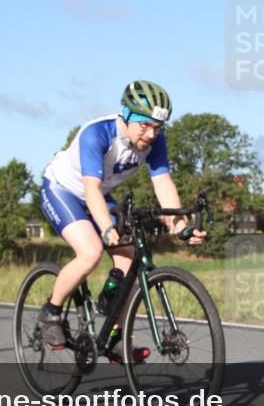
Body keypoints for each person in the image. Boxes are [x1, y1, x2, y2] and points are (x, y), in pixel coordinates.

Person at [38, 80, 206, 361]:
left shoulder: (154, 140)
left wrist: (180, 226)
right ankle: (50, 314)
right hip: (63, 191)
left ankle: (114, 338)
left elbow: (163, 183)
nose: (151, 134)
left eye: (158, 127)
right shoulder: (97, 133)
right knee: (91, 252)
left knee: (128, 260)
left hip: (99, 194)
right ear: (127, 115)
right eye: (145, 125)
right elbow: (90, 188)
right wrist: (105, 228)